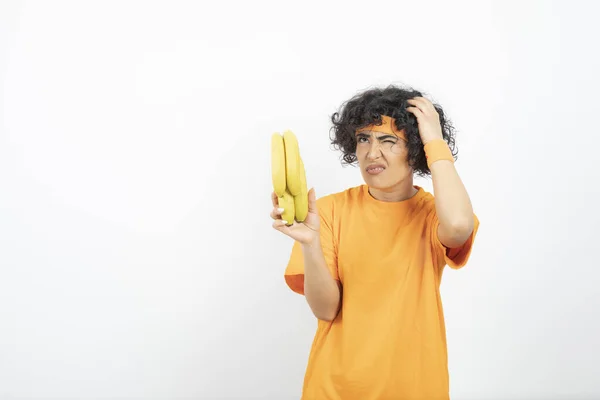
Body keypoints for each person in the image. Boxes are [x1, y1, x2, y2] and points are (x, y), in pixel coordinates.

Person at [270, 84, 480, 400]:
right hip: (335, 390)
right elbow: (326, 309)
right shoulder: (327, 211)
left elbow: (460, 225)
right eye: (363, 139)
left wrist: (434, 140)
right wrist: (310, 244)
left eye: (388, 140)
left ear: (416, 149)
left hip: (415, 389)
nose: (372, 153)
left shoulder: (431, 215)